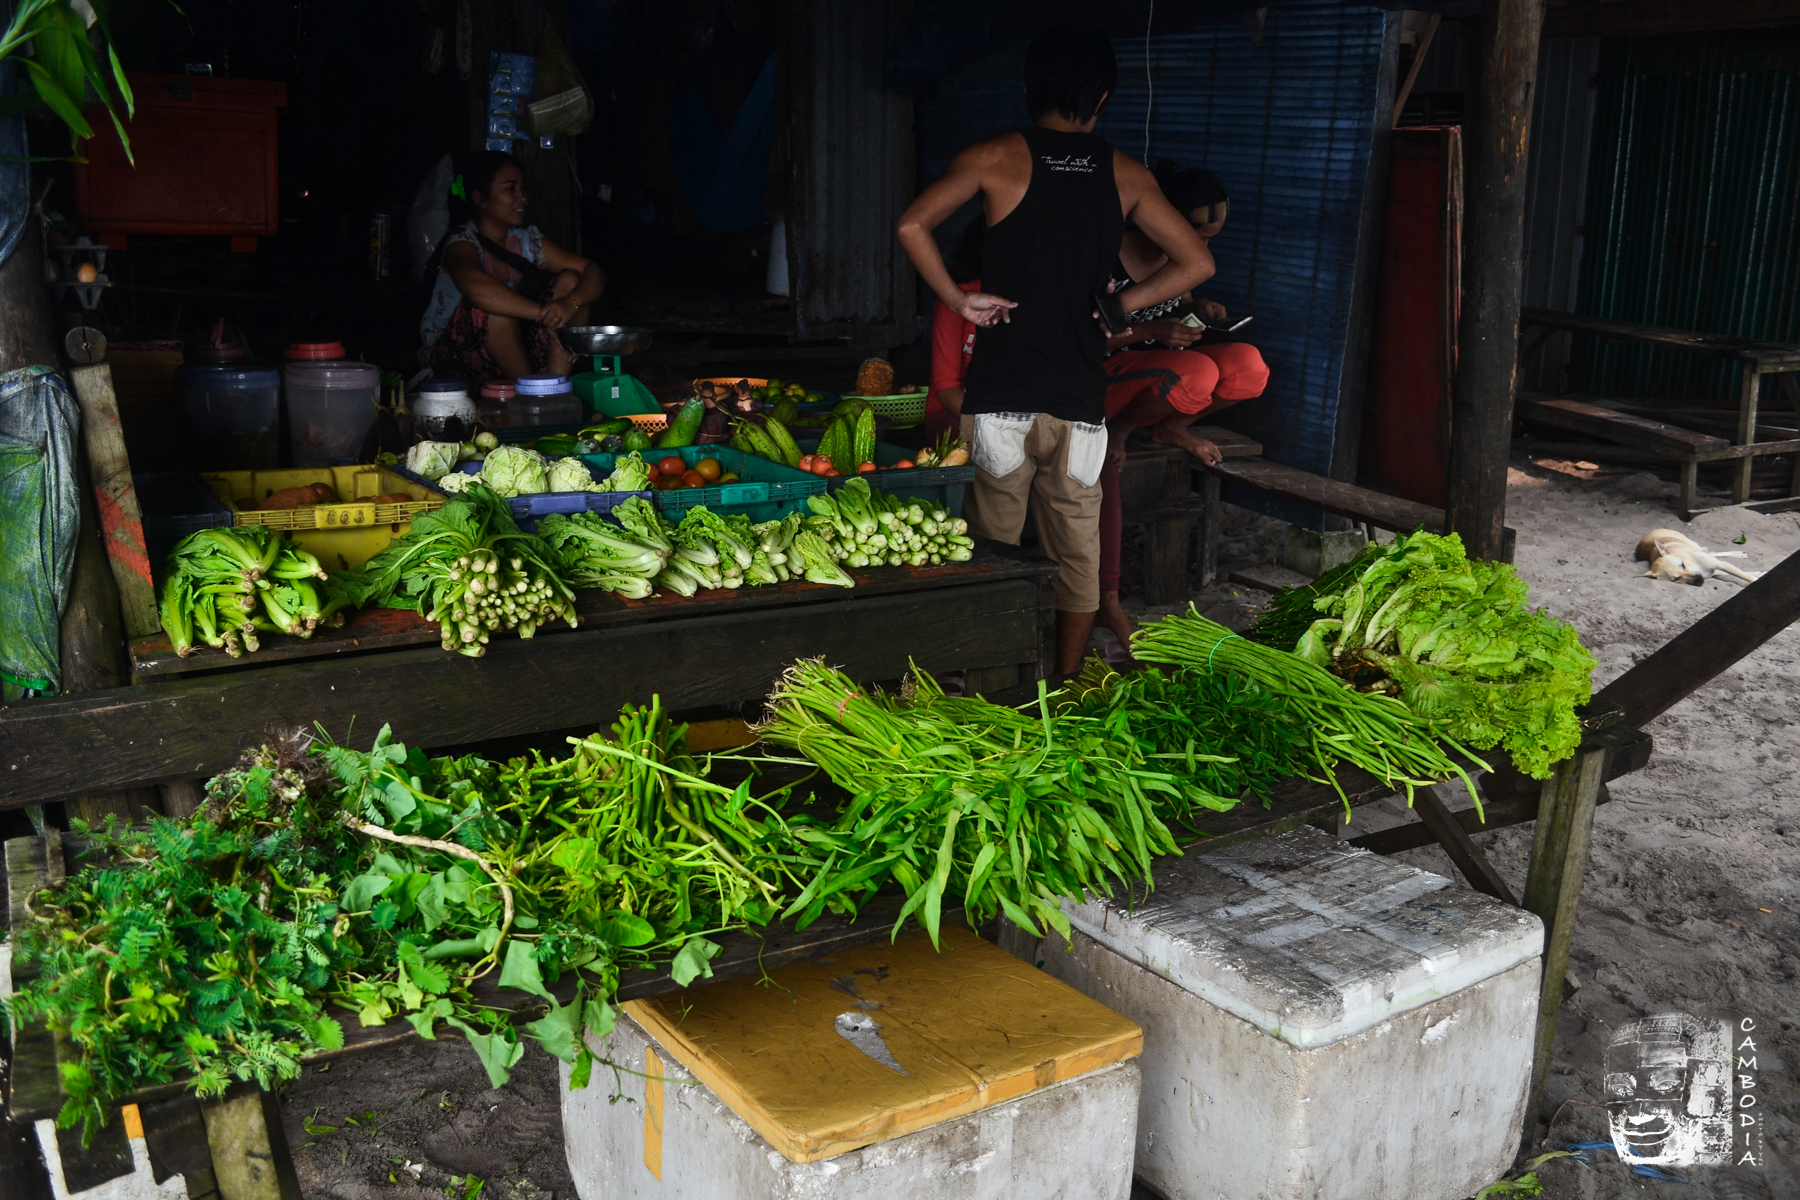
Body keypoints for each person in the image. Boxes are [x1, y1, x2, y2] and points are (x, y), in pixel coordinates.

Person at [896, 28, 1214, 676]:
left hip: (1000, 401)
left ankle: (986, 685)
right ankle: (1065, 682)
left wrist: (959, 300)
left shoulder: (994, 157)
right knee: (1079, 560)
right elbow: (1196, 261)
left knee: (992, 550)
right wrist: (1119, 309)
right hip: (1079, 405)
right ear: (1102, 95)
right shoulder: (1125, 173)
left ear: (1028, 88)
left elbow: (911, 224)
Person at [1096, 166, 1270, 651]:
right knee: (1194, 375)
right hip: (1103, 374)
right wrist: (1151, 333)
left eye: (1209, 238)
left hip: (1155, 363)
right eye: (1195, 234)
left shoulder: (1189, 259)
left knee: (1248, 366)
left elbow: (1177, 308)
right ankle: (1123, 430)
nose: (1200, 246)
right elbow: (1081, 332)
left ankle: (1170, 427)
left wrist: (1202, 310)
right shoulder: (1105, 252)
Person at [420, 152, 606, 386]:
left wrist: (569, 305)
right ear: (481, 199)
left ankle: (553, 386)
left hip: (516, 351)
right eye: (510, 189)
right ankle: (530, 393)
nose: (522, 198)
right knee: (496, 306)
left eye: (522, 189)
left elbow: (592, 271)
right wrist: (546, 315)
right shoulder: (461, 243)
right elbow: (476, 289)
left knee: (571, 279)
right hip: (457, 359)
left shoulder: (525, 241)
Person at [923, 220, 985, 438]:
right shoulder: (957, 299)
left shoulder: (1031, 301)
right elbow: (946, 389)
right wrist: (997, 425)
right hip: (954, 411)